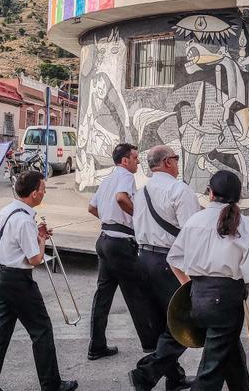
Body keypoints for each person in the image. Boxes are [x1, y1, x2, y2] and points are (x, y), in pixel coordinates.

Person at [167, 170, 249, 391]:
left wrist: (189, 286)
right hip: (227, 303)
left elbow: (174, 260)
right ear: (238, 196)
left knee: (230, 355)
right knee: (210, 372)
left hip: (197, 299)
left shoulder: (195, 220)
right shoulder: (245, 225)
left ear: (211, 193)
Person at [0, 170, 78, 391]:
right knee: (42, 330)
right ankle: (51, 385)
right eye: (43, 189)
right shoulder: (24, 220)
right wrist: (41, 239)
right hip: (18, 280)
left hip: (1, 276)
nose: (44, 193)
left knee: (0, 335)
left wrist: (36, 233)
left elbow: (12, 243)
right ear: (34, 194)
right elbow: (34, 259)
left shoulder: (7, 211)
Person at [127, 145, 201, 391]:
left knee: (161, 322)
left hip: (143, 259)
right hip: (170, 263)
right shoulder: (180, 191)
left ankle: (175, 377)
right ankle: (146, 373)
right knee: (184, 322)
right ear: (168, 162)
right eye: (177, 159)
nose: (178, 163)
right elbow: (192, 234)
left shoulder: (142, 191)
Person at [87, 143, 158, 360]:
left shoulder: (107, 179)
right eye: (135, 158)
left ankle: (96, 345)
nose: (137, 161)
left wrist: (110, 221)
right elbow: (121, 198)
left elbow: (91, 208)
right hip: (120, 244)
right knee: (137, 295)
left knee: (103, 295)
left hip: (105, 240)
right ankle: (151, 347)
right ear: (125, 161)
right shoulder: (126, 176)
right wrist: (138, 219)